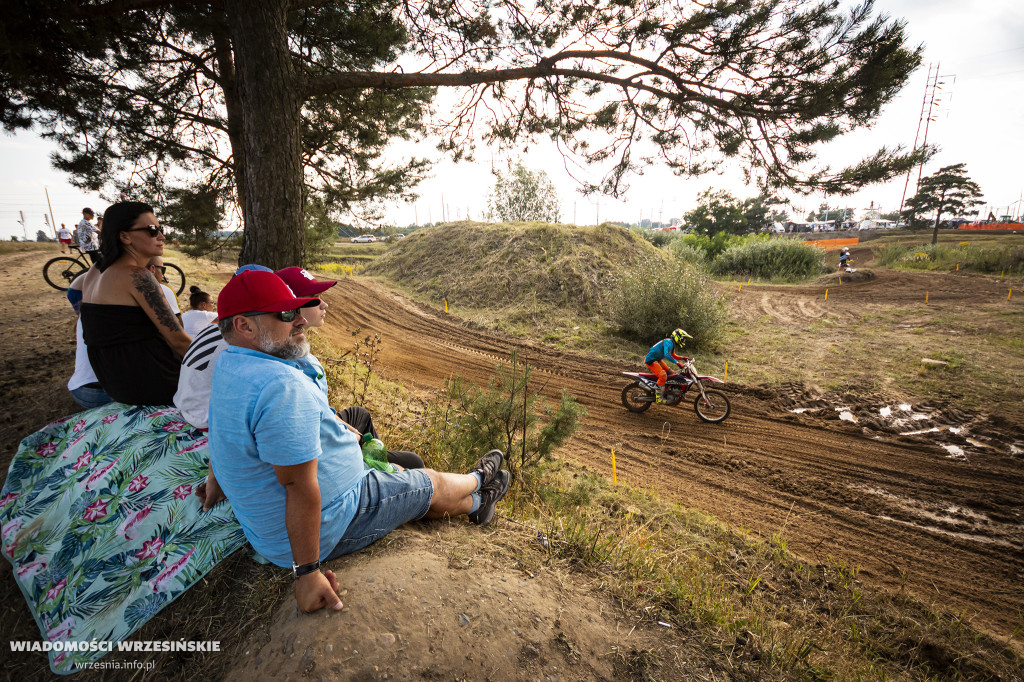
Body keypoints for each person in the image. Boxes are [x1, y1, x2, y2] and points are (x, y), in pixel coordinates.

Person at [208, 269, 511, 613]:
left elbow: (223, 432)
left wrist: (215, 475)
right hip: (335, 519)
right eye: (286, 314)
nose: (300, 321)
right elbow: (298, 487)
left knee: (403, 474)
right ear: (244, 326)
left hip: (285, 525)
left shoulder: (231, 364)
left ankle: (477, 504)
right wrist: (307, 573)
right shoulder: (279, 386)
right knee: (428, 481)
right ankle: (480, 480)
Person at [78, 201, 192, 406]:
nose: (161, 236)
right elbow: (179, 341)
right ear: (124, 236)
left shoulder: (95, 270)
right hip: (154, 384)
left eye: (160, 229)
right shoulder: (137, 275)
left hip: (116, 385)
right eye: (152, 230)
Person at [66, 274, 114, 409]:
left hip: (80, 389)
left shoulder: (85, 314)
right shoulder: (119, 311)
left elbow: (73, 291)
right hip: (107, 393)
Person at [644, 328, 691, 403]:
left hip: (657, 360)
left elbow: (673, 355)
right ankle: (659, 398)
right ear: (677, 337)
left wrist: (683, 358)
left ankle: (666, 392)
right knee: (663, 375)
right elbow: (667, 355)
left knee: (672, 373)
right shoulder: (668, 342)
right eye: (683, 338)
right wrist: (678, 363)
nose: (683, 340)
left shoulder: (671, 343)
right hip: (651, 360)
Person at [146, 256, 182, 325]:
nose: (163, 276)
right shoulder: (163, 289)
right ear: (152, 269)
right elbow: (178, 323)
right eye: (163, 270)